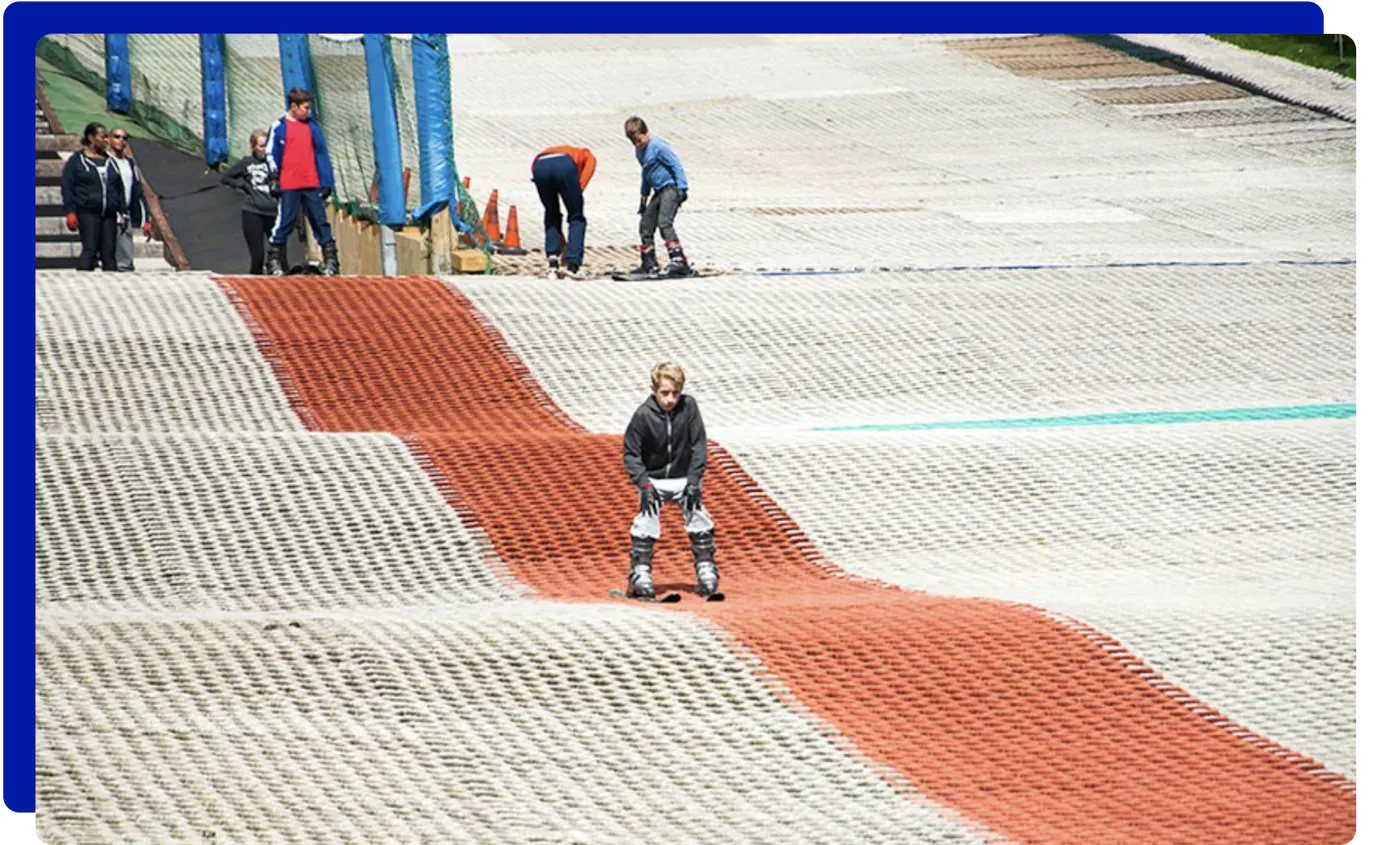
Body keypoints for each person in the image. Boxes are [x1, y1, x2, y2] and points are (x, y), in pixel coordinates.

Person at [622, 362, 719, 598]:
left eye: (675, 393)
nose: (670, 399)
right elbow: (631, 453)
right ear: (655, 390)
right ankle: (640, 571)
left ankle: (706, 568)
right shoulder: (643, 415)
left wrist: (694, 480)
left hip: (683, 477)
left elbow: (698, 445)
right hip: (654, 479)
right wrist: (644, 484)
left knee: (698, 515)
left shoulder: (689, 408)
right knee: (647, 518)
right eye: (664, 393)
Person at [264, 88, 339, 275]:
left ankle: (331, 259)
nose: (308, 112)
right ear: (294, 107)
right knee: (285, 220)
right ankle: (274, 258)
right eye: (305, 108)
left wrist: (326, 182)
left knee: (319, 220)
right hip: (289, 183)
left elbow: (321, 154)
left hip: (311, 182)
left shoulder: (312, 128)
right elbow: (271, 152)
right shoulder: (280, 127)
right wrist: (274, 177)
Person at [624, 116, 694, 279]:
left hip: (671, 188)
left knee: (664, 222)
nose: (637, 144)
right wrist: (644, 196)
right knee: (646, 225)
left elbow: (675, 165)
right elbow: (646, 174)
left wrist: (682, 188)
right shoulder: (639, 152)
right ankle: (649, 263)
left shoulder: (658, 147)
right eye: (634, 142)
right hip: (658, 191)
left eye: (639, 140)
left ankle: (679, 261)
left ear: (646, 132)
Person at [59, 122, 125, 272]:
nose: (106, 140)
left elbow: (118, 187)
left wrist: (122, 209)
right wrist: (70, 211)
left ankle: (112, 285)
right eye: (102, 137)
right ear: (91, 138)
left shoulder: (110, 161)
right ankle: (83, 281)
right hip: (88, 211)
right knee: (90, 249)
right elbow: (67, 186)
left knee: (109, 253)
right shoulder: (77, 161)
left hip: (108, 212)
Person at [530, 144, 596, 280]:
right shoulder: (586, 154)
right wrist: (577, 192)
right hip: (564, 166)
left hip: (539, 166)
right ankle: (573, 266)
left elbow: (534, 168)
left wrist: (562, 242)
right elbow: (589, 168)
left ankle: (553, 264)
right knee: (576, 217)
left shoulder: (568, 151)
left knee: (551, 213)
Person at [221, 128, 282, 274]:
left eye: (267, 145)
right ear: (254, 147)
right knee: (257, 255)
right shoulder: (247, 163)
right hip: (253, 211)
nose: (265, 149)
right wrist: (241, 185)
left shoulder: (275, 162)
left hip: (273, 212)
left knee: (279, 255)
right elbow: (226, 177)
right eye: (261, 146)